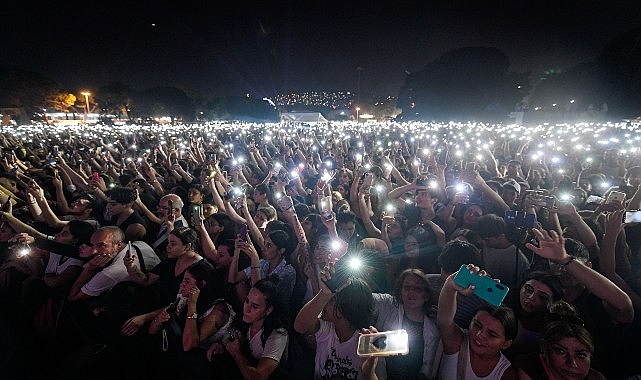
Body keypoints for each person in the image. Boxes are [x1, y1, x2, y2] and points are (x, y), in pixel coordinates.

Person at [147, 259, 232, 379]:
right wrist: (160, 320)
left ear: (201, 285)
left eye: (187, 281)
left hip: (203, 364)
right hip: (178, 354)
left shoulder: (218, 311)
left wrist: (192, 305)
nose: (182, 285)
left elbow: (189, 345)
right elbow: (152, 330)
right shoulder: (184, 296)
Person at [437, 264, 519, 379]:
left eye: (492, 334)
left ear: (506, 344)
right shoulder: (458, 343)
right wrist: (451, 285)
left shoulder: (506, 374)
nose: (480, 334)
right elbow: (445, 319)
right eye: (477, 325)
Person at [294, 271, 375, 380]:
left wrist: (368, 373)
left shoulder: (366, 340)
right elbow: (300, 326)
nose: (325, 304)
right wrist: (325, 293)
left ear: (346, 306)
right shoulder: (327, 328)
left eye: (331, 300)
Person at [207, 278, 290, 380]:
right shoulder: (244, 322)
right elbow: (230, 344)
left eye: (254, 306)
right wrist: (221, 348)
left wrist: (236, 353)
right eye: (247, 301)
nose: (247, 309)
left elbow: (259, 377)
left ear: (268, 310)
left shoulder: (277, 334)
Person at [372, 268, 440, 379]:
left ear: (426, 295)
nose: (411, 292)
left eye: (417, 288)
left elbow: (427, 369)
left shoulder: (433, 328)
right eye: (406, 287)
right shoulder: (389, 305)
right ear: (400, 291)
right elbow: (367, 297)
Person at [515, 300, 607, 380]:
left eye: (581, 355)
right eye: (560, 351)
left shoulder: (595, 377)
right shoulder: (529, 367)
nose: (572, 363)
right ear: (546, 349)